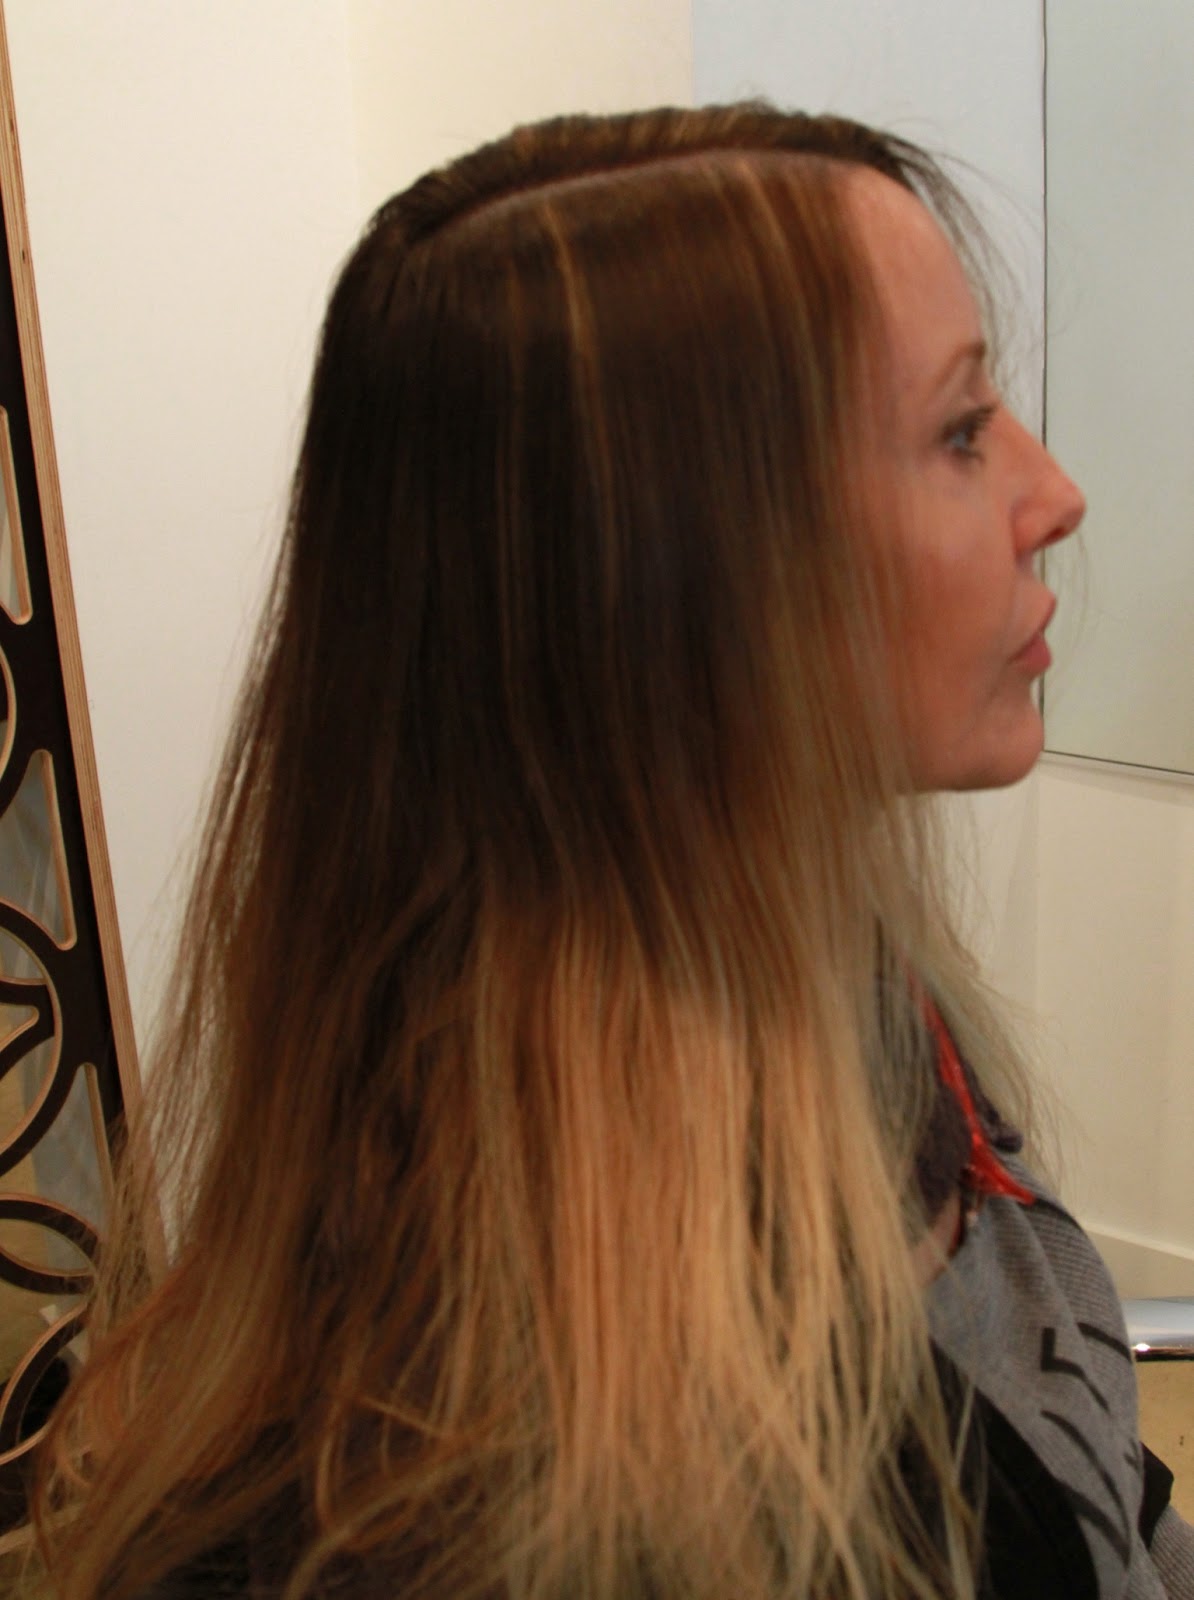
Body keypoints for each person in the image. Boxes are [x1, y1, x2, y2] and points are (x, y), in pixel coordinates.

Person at [21, 103, 1189, 1598]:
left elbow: (1095, 1477)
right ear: (685, 590)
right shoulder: (463, 1518)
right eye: (960, 432)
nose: (1053, 496)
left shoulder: (853, 1012)